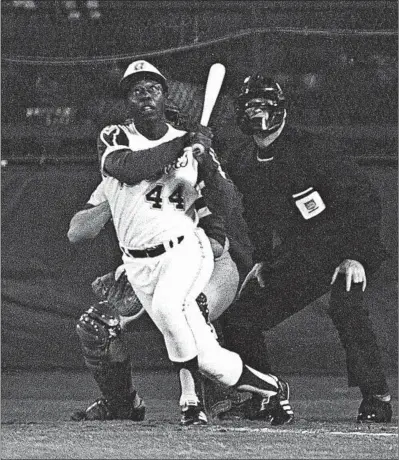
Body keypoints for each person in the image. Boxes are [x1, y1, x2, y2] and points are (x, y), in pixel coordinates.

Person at [67, 60, 293, 426]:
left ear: (167, 100)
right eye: (136, 89)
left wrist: (205, 163)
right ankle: (269, 388)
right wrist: (175, 149)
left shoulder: (191, 154)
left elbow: (222, 220)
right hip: (142, 265)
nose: (148, 98)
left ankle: (193, 401)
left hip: (195, 255)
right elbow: (119, 182)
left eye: (154, 89)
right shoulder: (118, 142)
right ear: (127, 102)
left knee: (179, 309)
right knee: (202, 354)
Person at [219, 73, 392, 423]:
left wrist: (355, 256)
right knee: (240, 318)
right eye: (250, 105)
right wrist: (264, 260)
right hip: (303, 254)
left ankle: (377, 397)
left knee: (347, 306)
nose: (257, 112)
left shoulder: (314, 149)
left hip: (346, 245)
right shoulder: (243, 161)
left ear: (280, 109)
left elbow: (363, 201)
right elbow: (256, 214)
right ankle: (262, 396)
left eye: (264, 104)